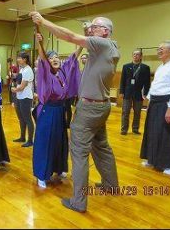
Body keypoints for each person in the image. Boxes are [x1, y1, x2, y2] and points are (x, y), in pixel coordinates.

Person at [31, 12, 120, 212]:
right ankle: (111, 185)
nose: (91, 29)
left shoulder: (101, 44)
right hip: (102, 106)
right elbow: (70, 50)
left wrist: (42, 21)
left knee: (79, 153)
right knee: (102, 147)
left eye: (95, 26)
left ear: (105, 32)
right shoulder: (112, 47)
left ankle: (79, 202)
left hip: (89, 108)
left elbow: (70, 37)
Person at [33, 34, 82, 189]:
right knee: (45, 142)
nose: (55, 59)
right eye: (51, 57)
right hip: (48, 111)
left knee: (60, 141)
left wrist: (81, 41)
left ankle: (59, 168)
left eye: (57, 57)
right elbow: (42, 58)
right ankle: (42, 174)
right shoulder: (45, 72)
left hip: (60, 111)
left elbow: (74, 57)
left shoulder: (63, 71)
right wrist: (39, 42)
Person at [140, 41, 170, 176]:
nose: (158, 51)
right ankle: (152, 159)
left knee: (167, 133)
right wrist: (149, 101)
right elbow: (155, 85)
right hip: (155, 102)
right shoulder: (161, 67)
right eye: (158, 49)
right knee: (152, 131)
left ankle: (169, 164)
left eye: (162, 49)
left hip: (166, 103)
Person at [120, 50, 151, 135]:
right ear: (132, 56)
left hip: (138, 93)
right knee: (125, 112)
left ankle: (135, 129)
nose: (135, 56)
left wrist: (146, 93)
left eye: (137, 54)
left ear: (141, 57)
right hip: (127, 93)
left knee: (137, 112)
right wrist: (121, 91)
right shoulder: (126, 66)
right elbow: (122, 80)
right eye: (134, 54)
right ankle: (124, 129)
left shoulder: (145, 67)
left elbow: (147, 82)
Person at [12, 52, 35, 148]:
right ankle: (22, 137)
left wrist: (14, 89)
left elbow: (23, 86)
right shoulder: (22, 69)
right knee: (21, 118)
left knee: (27, 118)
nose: (18, 59)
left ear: (25, 59)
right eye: (18, 58)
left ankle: (30, 140)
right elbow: (19, 81)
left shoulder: (28, 70)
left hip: (26, 97)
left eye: (19, 58)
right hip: (19, 96)